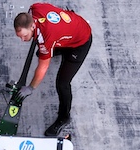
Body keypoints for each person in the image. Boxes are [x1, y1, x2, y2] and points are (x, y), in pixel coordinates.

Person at [13, 4, 93, 136]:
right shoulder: (34, 9)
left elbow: (43, 67)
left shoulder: (46, 38)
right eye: (19, 36)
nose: (23, 40)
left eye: (25, 36)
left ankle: (64, 117)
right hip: (73, 25)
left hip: (80, 42)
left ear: (32, 26)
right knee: (44, 50)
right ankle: (58, 48)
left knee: (62, 83)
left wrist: (30, 88)